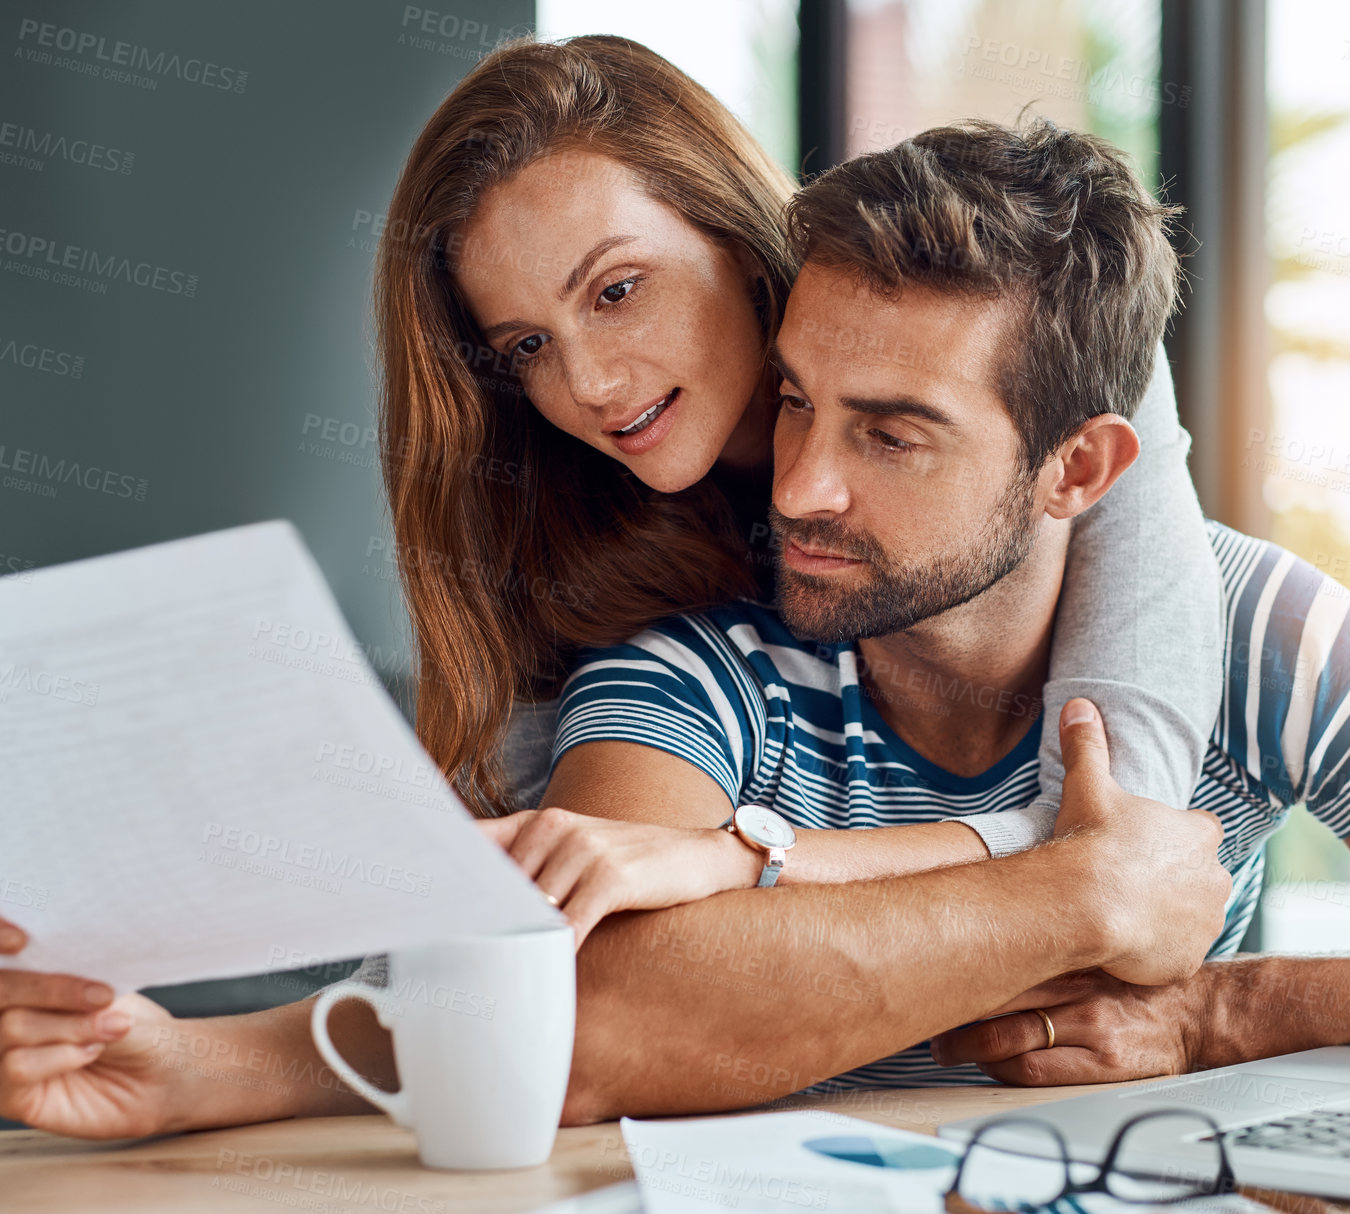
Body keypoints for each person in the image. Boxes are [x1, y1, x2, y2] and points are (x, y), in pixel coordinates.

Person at [0, 117, 1350, 1137]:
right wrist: (1091, 894)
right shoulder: (690, 656)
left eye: (891, 431)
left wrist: (1232, 1006)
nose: (802, 486)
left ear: (1079, 466)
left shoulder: (1247, 627)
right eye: (801, 404)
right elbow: (592, 1020)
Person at [375, 34, 1225, 849]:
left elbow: (1124, 810)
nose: (588, 383)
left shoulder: (1005, 338)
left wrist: (1101, 879)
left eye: (617, 291)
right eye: (528, 345)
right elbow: (518, 924)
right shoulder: (554, 550)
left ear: (740, 244)